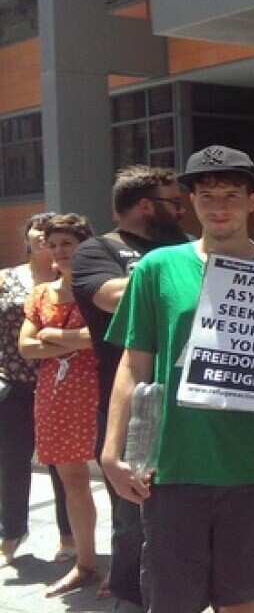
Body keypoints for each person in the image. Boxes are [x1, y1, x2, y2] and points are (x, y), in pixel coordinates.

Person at [98, 145, 254, 613]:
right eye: (207, 195)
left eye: (231, 195)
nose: (219, 207)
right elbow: (133, 364)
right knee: (171, 602)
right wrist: (112, 451)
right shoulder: (157, 268)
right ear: (191, 202)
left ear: (252, 201)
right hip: (175, 465)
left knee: (242, 603)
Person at [70, 164, 188, 606]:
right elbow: (110, 296)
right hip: (133, 403)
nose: (183, 212)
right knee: (134, 514)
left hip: (193, 402)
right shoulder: (97, 251)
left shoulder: (186, 245)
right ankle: (131, 598)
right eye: (175, 203)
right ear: (145, 206)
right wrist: (184, 276)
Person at [18, 213, 100, 597]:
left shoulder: (100, 288)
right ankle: (86, 563)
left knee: (120, 480)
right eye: (52, 245)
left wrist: (52, 334)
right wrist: (75, 339)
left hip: (99, 389)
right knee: (72, 482)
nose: (59, 251)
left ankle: (130, 563)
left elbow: (102, 337)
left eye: (67, 243)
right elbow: (26, 346)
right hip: (56, 394)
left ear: (85, 244)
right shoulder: (40, 294)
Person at [0, 213, 73, 566]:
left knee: (62, 463)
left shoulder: (69, 280)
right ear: (27, 235)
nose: (42, 235)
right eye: (36, 228)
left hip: (60, 383)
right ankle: (12, 532)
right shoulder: (6, 278)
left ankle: (68, 535)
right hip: (12, 383)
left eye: (50, 230)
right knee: (11, 461)